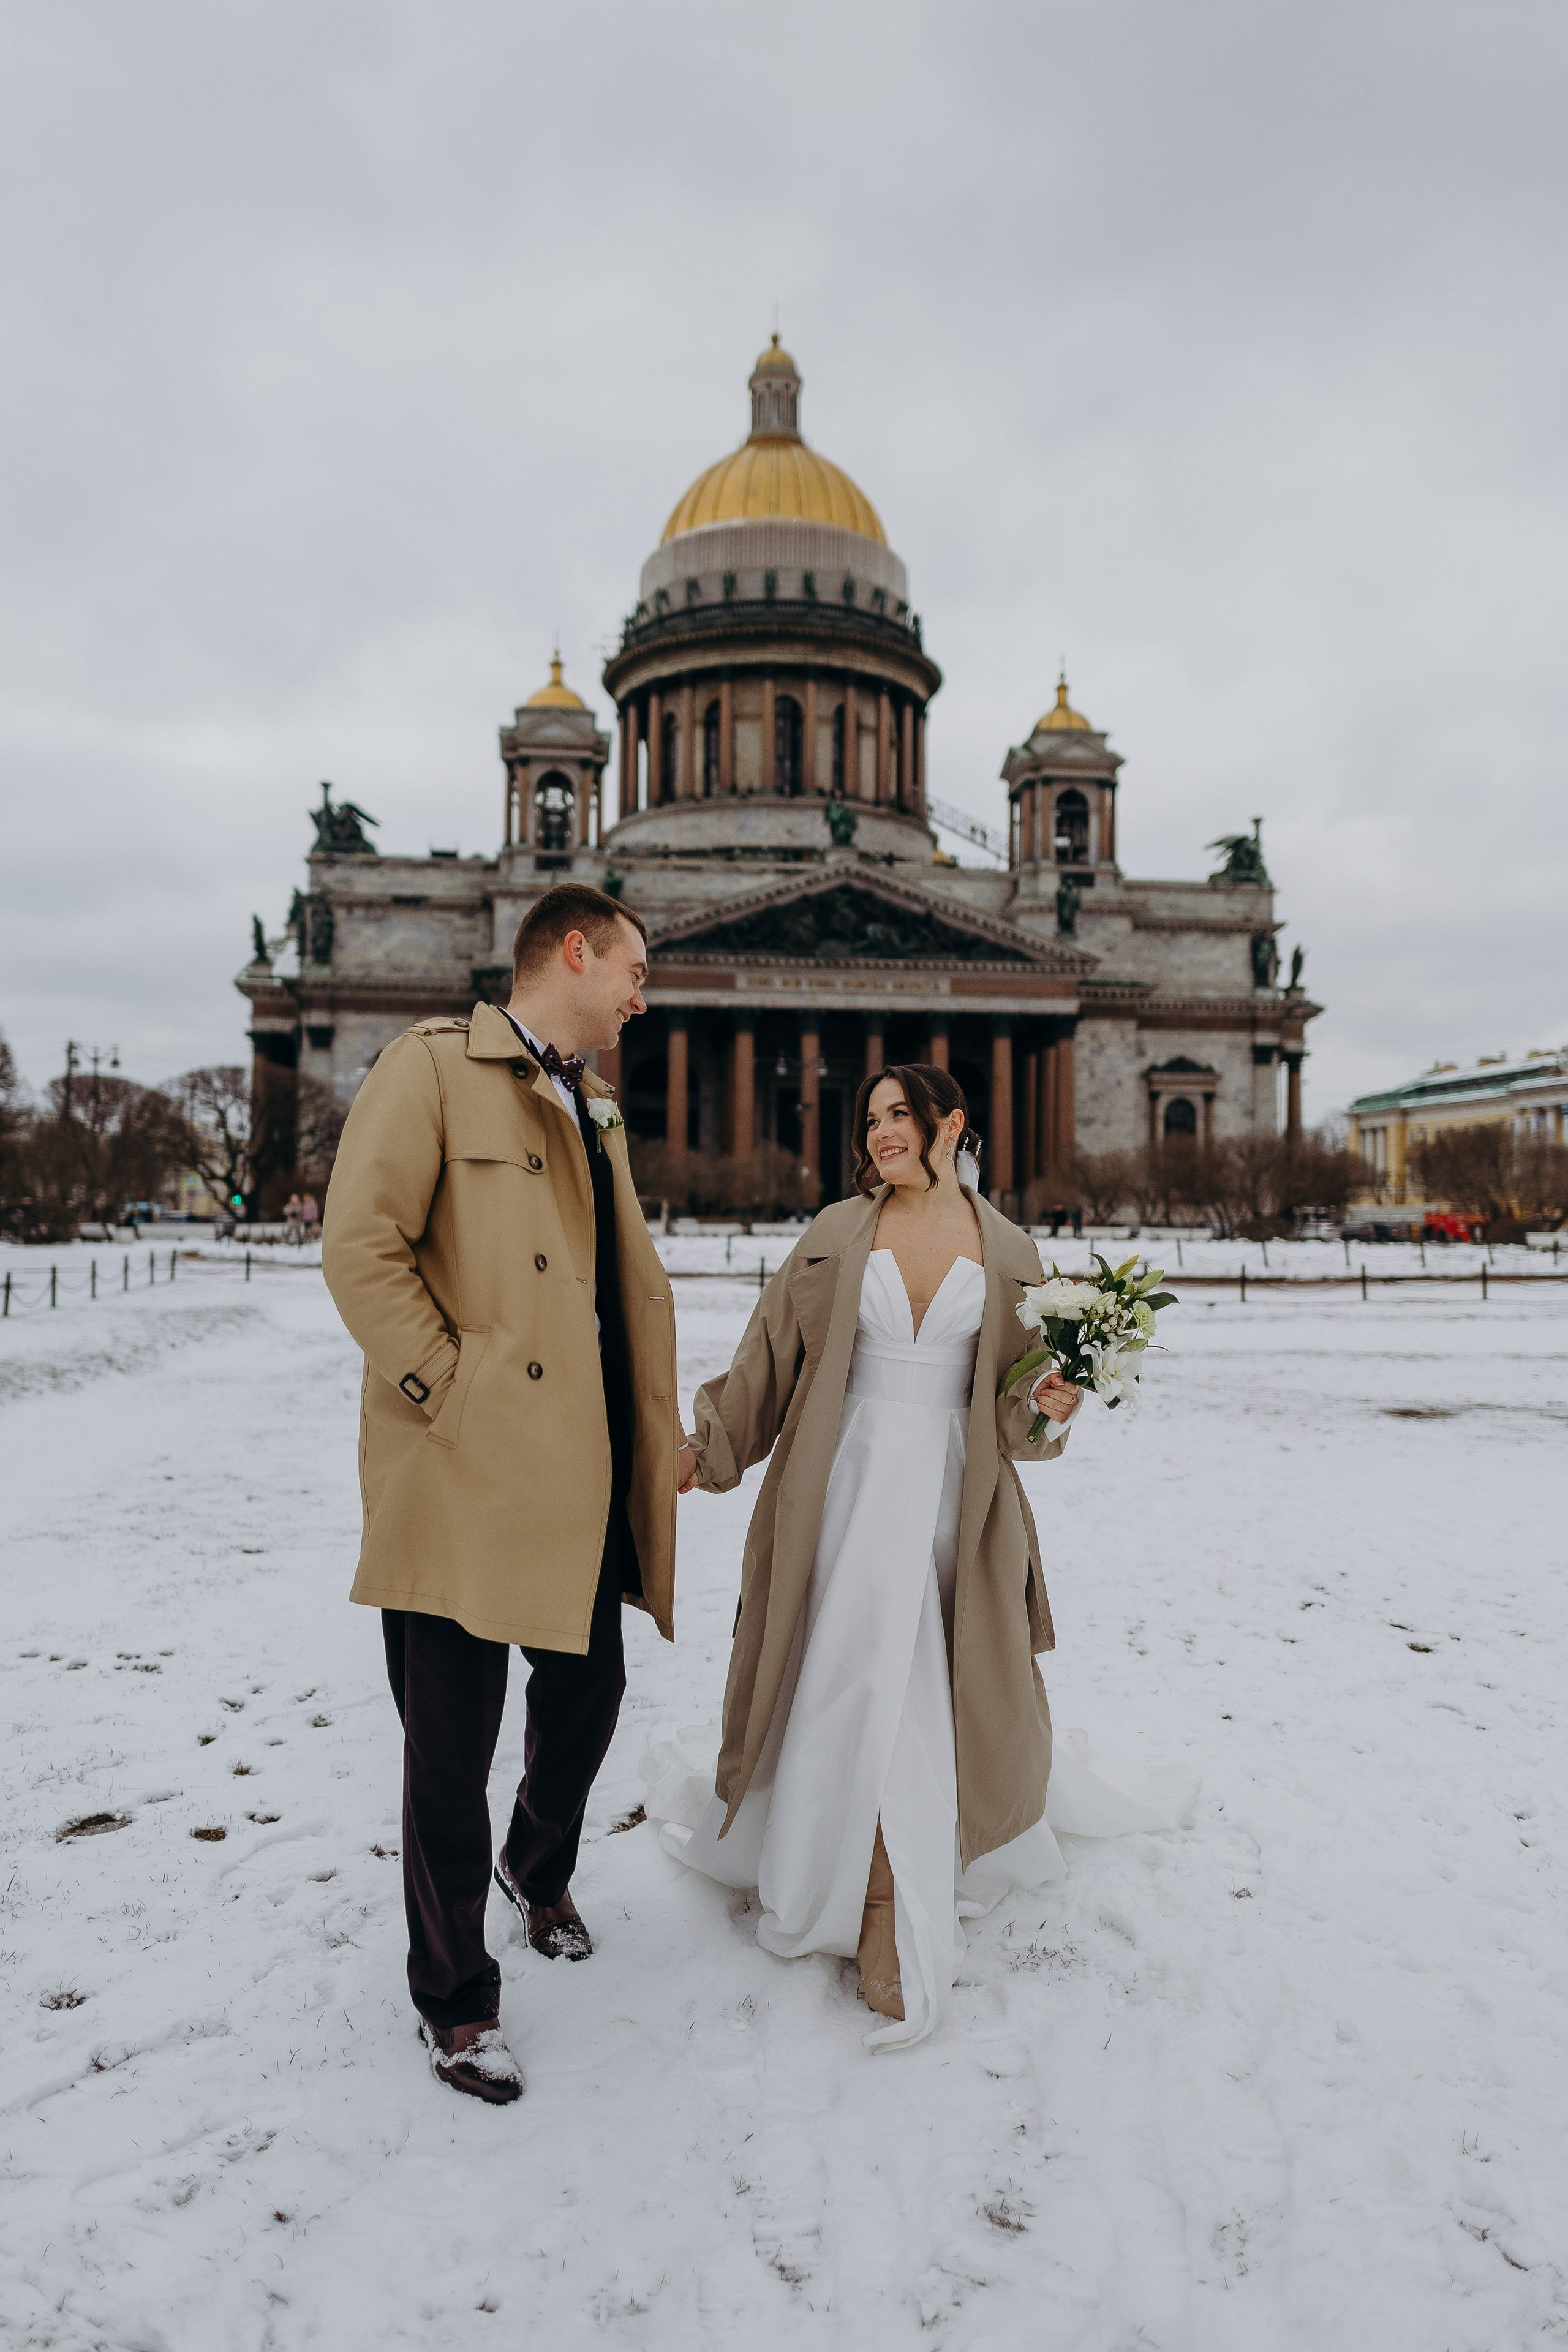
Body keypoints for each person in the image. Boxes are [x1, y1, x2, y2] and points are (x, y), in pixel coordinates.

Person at [663, 1065, 1189, 2051]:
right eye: (870, 1121)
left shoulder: (1010, 1251)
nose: (881, 1135)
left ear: (951, 1123)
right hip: (844, 1490)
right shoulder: (834, 1233)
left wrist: (1046, 1403)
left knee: (920, 1683)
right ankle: (869, 1895)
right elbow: (769, 1358)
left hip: (955, 1502)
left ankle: (890, 1897)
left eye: (899, 1115)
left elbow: (1018, 1411)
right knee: (855, 1681)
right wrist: (706, 1450)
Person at [322, 883, 680, 2105]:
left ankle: (540, 1865)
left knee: (590, 1690)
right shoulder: (429, 1067)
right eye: (633, 970)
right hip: (467, 1469)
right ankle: (457, 2001)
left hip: (580, 1469)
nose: (643, 996)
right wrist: (451, 1391)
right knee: (449, 1746)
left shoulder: (594, 1101)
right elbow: (359, 1246)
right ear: (573, 953)